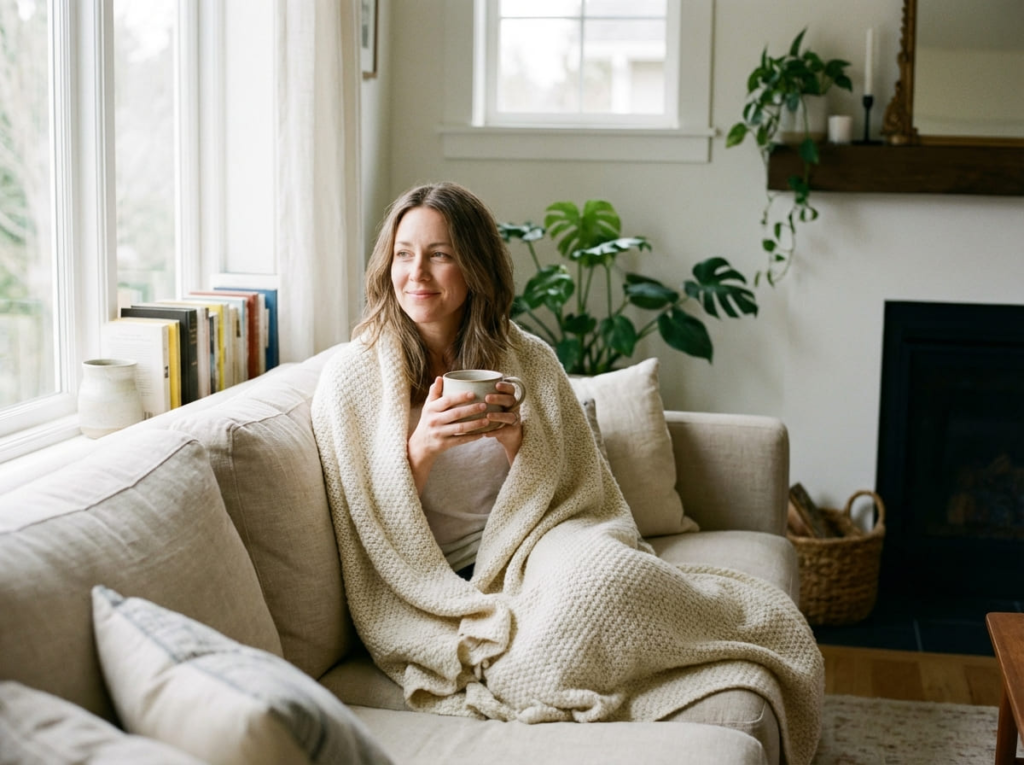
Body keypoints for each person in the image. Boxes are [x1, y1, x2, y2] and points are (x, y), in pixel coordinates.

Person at [312, 182, 824, 765]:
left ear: (475, 267)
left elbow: (577, 487)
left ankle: (744, 627)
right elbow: (370, 525)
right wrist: (422, 448)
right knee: (537, 659)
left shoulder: (525, 357)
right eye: (404, 254)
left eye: (440, 254)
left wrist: (517, 445)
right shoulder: (351, 378)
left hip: (535, 545)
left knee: (606, 580)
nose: (418, 273)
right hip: (435, 581)